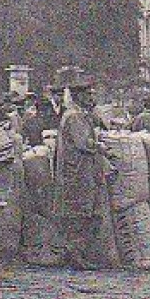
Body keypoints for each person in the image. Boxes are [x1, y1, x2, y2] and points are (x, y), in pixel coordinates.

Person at [51, 69, 109, 270]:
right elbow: (84, 143)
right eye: (88, 95)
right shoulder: (74, 117)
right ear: (79, 96)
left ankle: (77, 253)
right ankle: (76, 255)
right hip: (78, 172)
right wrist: (100, 146)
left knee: (82, 212)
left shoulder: (77, 115)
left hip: (81, 170)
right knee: (80, 214)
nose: (91, 98)